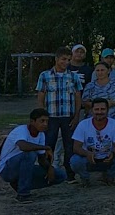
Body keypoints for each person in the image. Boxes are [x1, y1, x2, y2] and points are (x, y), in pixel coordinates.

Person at [0, 108, 66, 204]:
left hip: (21, 167)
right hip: (6, 169)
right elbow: (23, 146)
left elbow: (41, 158)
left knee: (60, 175)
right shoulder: (21, 130)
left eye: (47, 121)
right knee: (29, 154)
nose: (45, 124)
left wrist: (49, 168)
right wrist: (45, 147)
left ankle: (19, 184)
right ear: (32, 121)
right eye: (42, 121)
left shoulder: (41, 135)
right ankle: (23, 194)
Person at [35, 46, 82, 183]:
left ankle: (70, 174)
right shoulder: (45, 75)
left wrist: (77, 115)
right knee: (49, 144)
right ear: (56, 59)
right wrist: (42, 116)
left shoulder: (73, 76)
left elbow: (78, 96)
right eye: (63, 59)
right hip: (52, 116)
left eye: (68, 59)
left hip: (68, 115)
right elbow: (41, 95)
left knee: (69, 146)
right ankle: (46, 173)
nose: (66, 62)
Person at [70, 98, 115, 186]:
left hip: (108, 158)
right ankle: (85, 178)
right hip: (89, 158)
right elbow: (76, 147)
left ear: (107, 110)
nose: (99, 112)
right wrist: (87, 154)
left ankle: (109, 176)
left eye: (102, 109)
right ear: (92, 110)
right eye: (96, 109)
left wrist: (113, 153)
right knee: (74, 161)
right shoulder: (83, 124)